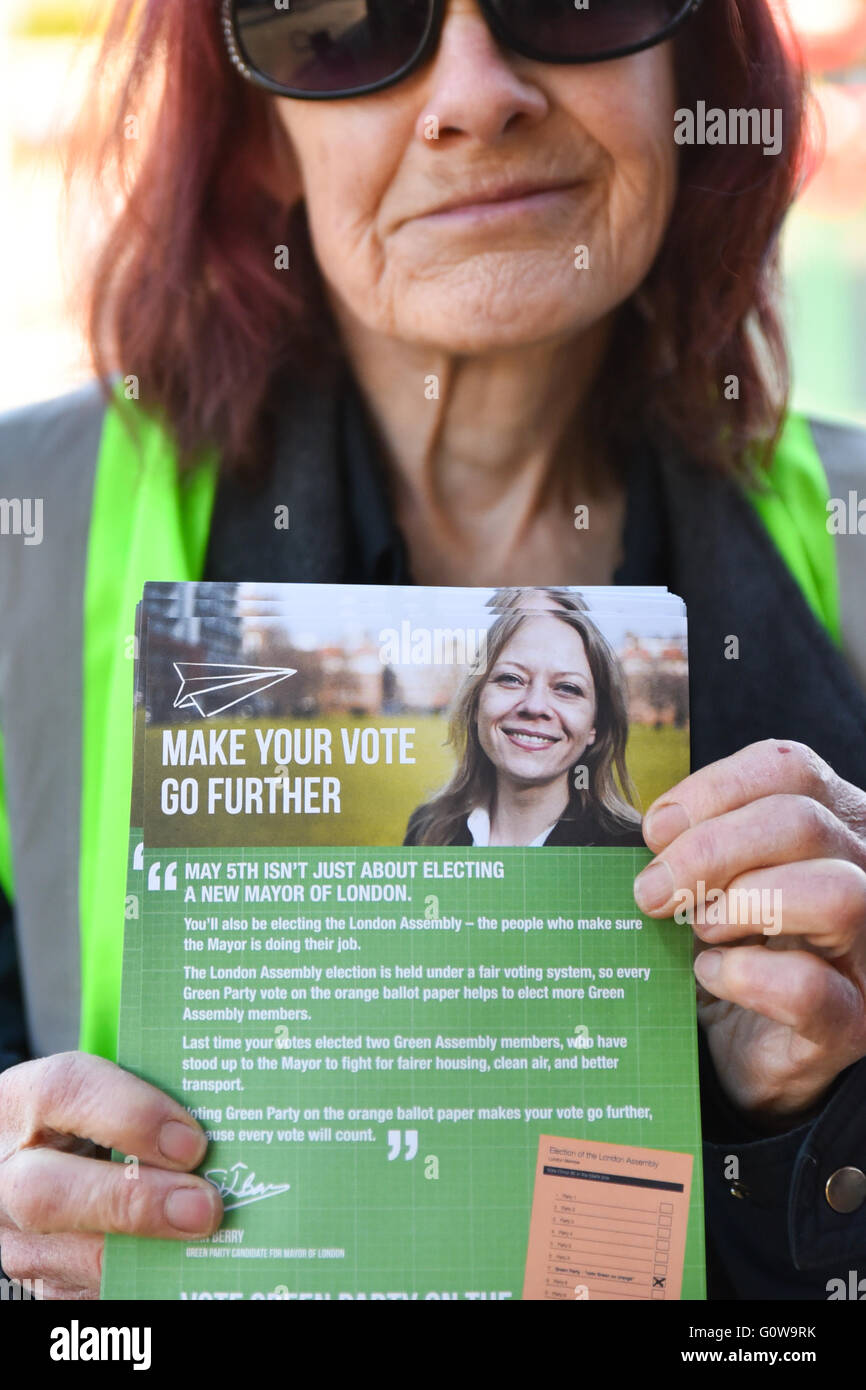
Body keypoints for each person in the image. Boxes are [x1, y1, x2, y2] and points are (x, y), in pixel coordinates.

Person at [0, 0, 865, 1300]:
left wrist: (801, 1120)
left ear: (691, 64)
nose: (475, 93)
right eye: (339, 22)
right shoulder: (28, 528)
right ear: (258, 137)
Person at [404, 603, 645, 847]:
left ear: (596, 724)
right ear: (476, 703)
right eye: (511, 679)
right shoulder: (425, 830)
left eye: (567, 688)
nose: (535, 706)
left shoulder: (634, 849)